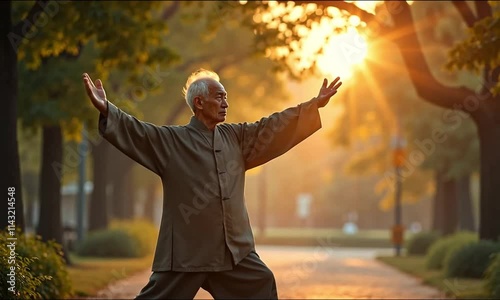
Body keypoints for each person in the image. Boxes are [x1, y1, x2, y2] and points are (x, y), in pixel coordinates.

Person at [82, 69, 342, 299]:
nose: (226, 103)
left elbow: (271, 127)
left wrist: (312, 106)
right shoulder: (172, 141)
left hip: (233, 253)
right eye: (219, 97)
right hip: (187, 254)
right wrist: (107, 109)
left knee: (261, 282)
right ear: (199, 102)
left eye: (226, 97)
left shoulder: (236, 137)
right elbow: (138, 132)